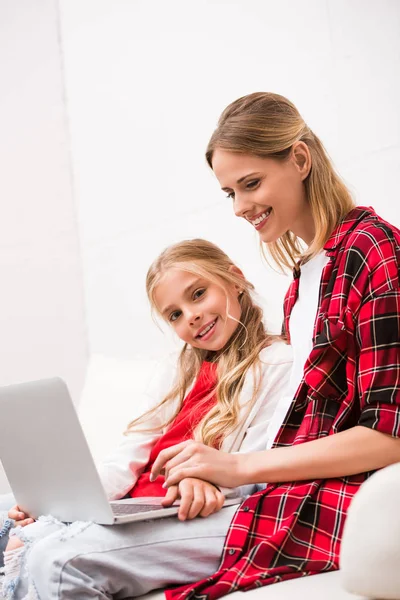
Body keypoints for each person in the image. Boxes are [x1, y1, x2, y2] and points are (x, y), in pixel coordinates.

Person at [149, 92, 400, 599]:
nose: (241, 207)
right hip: (275, 495)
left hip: (331, 504)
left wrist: (237, 468)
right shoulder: (302, 282)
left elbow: (389, 435)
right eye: (230, 193)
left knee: (62, 559)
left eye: (251, 184)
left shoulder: (376, 253)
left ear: (300, 160)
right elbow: (294, 430)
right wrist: (209, 472)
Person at [0, 238, 292, 600]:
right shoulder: (176, 368)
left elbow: (251, 465)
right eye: (175, 314)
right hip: (136, 503)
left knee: (41, 550)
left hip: (183, 509)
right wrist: (60, 504)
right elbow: (127, 457)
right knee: (9, 511)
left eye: (198, 294)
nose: (191, 316)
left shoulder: (277, 361)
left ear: (234, 279)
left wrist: (209, 481)